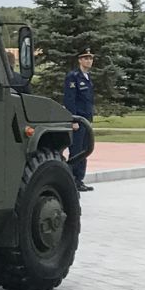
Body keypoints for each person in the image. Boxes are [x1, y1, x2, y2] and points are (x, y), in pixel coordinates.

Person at [63, 49, 96, 191]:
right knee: (76, 150)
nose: (89, 61)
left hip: (86, 119)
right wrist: (73, 119)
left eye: (90, 58)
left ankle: (79, 180)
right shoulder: (73, 77)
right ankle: (72, 180)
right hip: (78, 119)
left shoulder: (87, 77)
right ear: (80, 60)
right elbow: (70, 99)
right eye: (86, 58)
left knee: (85, 150)